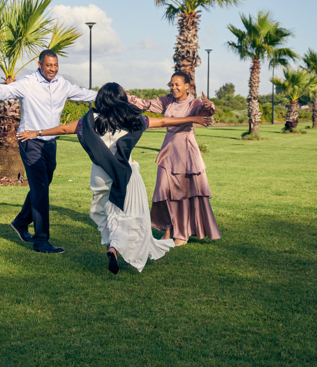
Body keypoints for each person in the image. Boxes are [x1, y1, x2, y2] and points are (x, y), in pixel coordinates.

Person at [17, 82, 212, 274]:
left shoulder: (90, 120)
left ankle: (112, 244)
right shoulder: (132, 119)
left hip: (100, 174)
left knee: (103, 212)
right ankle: (114, 247)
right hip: (125, 174)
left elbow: (63, 129)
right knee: (125, 214)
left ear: (101, 98)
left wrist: (37, 133)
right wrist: (193, 119)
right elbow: (163, 122)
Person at [0, 49, 97, 254]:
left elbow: (86, 94)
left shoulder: (62, 84)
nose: (52, 69)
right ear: (40, 65)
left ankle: (20, 222)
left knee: (42, 185)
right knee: (40, 189)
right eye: (48, 65)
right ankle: (41, 241)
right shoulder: (28, 82)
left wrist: (114, 97)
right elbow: (6, 91)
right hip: (29, 141)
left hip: (50, 142)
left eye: (55, 65)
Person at [127, 71, 221, 246]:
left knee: (183, 192)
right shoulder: (167, 100)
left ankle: (182, 233)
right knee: (163, 190)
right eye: (171, 84)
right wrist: (126, 98)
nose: (173, 87)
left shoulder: (195, 103)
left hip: (186, 151)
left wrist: (210, 105)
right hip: (168, 150)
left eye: (177, 84)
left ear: (187, 86)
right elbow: (146, 104)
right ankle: (168, 229)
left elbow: (207, 111)